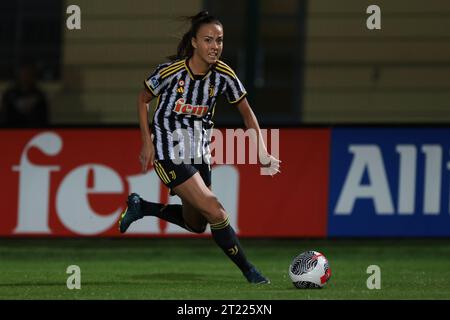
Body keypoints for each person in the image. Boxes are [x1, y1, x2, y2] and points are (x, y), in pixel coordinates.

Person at [118, 11, 280, 284]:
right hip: (169, 152)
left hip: (199, 155)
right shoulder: (170, 73)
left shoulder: (224, 75)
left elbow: (247, 113)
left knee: (197, 223)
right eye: (208, 40)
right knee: (215, 209)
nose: (214, 46)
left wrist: (261, 151)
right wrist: (147, 142)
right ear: (194, 42)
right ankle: (250, 271)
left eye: (219, 40)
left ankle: (141, 207)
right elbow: (143, 99)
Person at [1, 62, 49, 127]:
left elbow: (44, 117)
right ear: (19, 75)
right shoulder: (10, 94)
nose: (26, 77)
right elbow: (5, 115)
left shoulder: (39, 95)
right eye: (24, 74)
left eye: (29, 74)